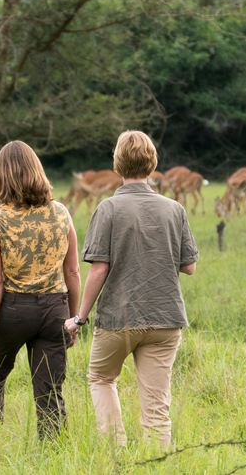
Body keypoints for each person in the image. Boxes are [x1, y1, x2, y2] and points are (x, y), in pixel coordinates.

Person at [64, 130, 198, 448]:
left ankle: (116, 454)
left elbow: (98, 269)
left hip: (117, 318)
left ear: (117, 164)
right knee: (156, 406)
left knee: (100, 378)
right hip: (165, 318)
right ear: (153, 164)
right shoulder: (174, 209)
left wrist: (79, 318)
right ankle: (157, 464)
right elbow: (189, 266)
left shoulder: (108, 209)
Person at [0, 140, 81, 440]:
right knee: (49, 392)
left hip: (13, 311)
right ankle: (53, 455)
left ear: (1, 176)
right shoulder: (62, 213)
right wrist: (74, 319)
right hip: (54, 310)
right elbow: (72, 271)